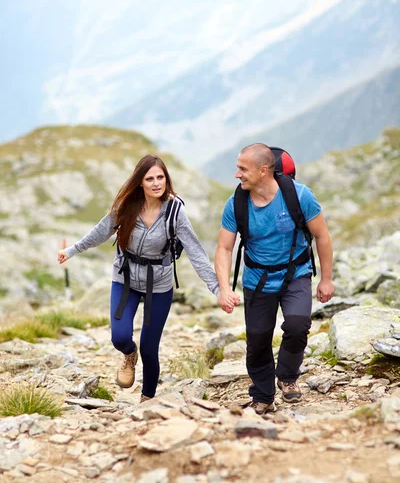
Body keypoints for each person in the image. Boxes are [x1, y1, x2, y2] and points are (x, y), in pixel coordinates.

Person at [58, 154, 234, 402]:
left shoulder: (175, 211)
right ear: (140, 182)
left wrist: (218, 290)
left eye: (160, 177)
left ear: (166, 179)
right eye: (149, 178)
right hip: (125, 278)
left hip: (159, 284)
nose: (156, 183)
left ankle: (147, 399)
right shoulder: (126, 205)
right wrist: (72, 250)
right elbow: (101, 232)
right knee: (119, 337)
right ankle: (130, 355)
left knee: (150, 348)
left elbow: (196, 252)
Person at [215, 143, 334, 414]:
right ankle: (263, 395)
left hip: (296, 274)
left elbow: (322, 236)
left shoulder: (299, 196)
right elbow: (224, 248)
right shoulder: (236, 203)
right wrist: (224, 288)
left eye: (243, 169)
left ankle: (288, 377)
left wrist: (326, 279)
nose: (237, 174)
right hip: (257, 279)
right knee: (257, 340)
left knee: (297, 324)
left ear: (264, 170)